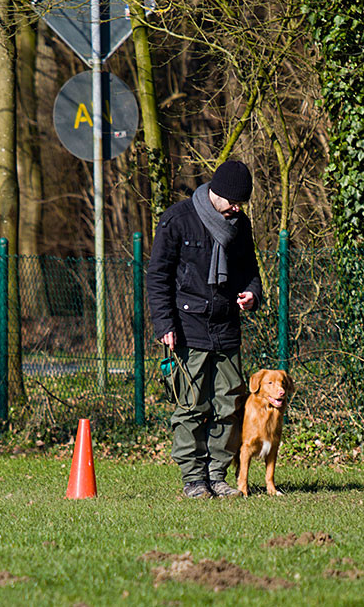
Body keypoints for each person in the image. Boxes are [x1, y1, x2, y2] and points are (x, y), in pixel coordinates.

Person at [146, 160, 263, 499]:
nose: (238, 208)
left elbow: (250, 268)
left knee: (229, 404)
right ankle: (193, 479)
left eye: (242, 203)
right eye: (234, 202)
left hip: (226, 325)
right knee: (192, 406)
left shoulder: (240, 225)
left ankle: (217, 475)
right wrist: (164, 323)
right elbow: (158, 276)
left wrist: (252, 294)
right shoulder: (177, 219)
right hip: (187, 327)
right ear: (218, 193)